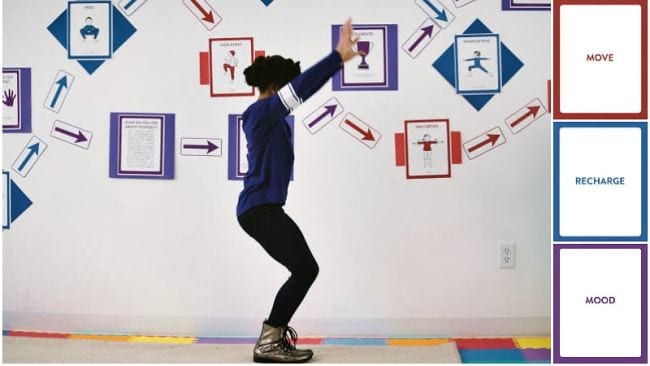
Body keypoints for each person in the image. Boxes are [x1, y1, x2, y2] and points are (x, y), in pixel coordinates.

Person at [236, 19, 361, 363]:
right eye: (288, 89)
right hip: (258, 210)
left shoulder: (267, 117)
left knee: (305, 269)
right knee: (306, 270)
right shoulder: (262, 112)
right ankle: (269, 341)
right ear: (276, 88)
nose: (293, 96)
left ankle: (272, 338)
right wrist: (337, 57)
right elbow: (302, 89)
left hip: (263, 209)